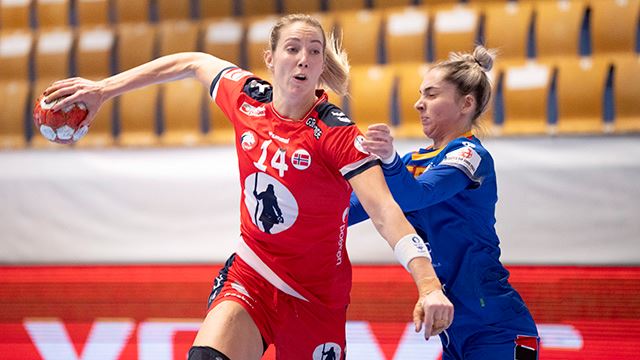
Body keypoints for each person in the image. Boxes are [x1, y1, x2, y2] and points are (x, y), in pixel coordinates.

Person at [43, 14, 453, 360]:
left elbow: (384, 211)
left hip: (317, 298)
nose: (304, 58)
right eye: (293, 48)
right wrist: (103, 89)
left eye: (315, 51)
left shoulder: (336, 133)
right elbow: (190, 61)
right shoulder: (246, 100)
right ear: (270, 58)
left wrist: (429, 285)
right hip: (253, 273)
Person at [348, 46, 539, 360]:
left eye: (432, 95)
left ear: (466, 103)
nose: (418, 103)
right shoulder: (410, 164)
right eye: (421, 94)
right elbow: (352, 209)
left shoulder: (471, 155)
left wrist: (389, 160)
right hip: (453, 332)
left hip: (496, 327)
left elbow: (419, 195)